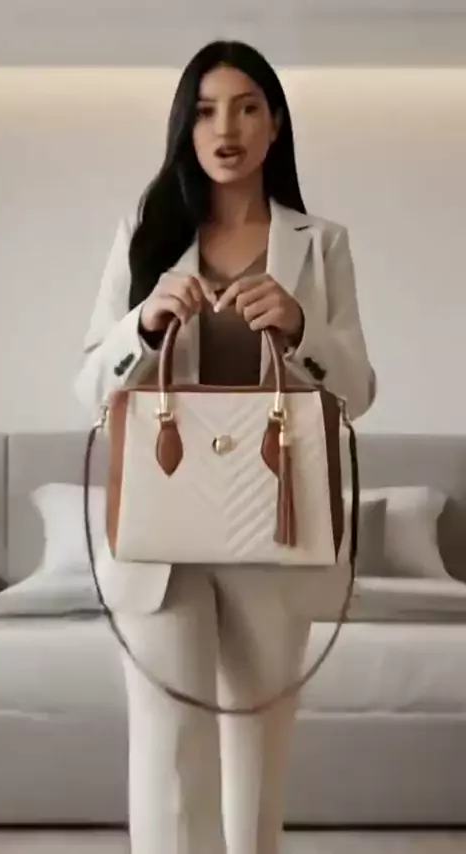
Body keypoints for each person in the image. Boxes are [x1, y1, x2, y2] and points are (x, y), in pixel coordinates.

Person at [75, 40, 376, 854]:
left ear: (275, 124)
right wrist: (143, 326)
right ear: (186, 126)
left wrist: (301, 327)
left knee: (257, 749)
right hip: (159, 533)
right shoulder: (145, 233)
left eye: (246, 108)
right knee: (168, 746)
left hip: (275, 520)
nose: (226, 128)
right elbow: (89, 386)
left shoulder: (321, 244)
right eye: (205, 111)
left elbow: (358, 391)